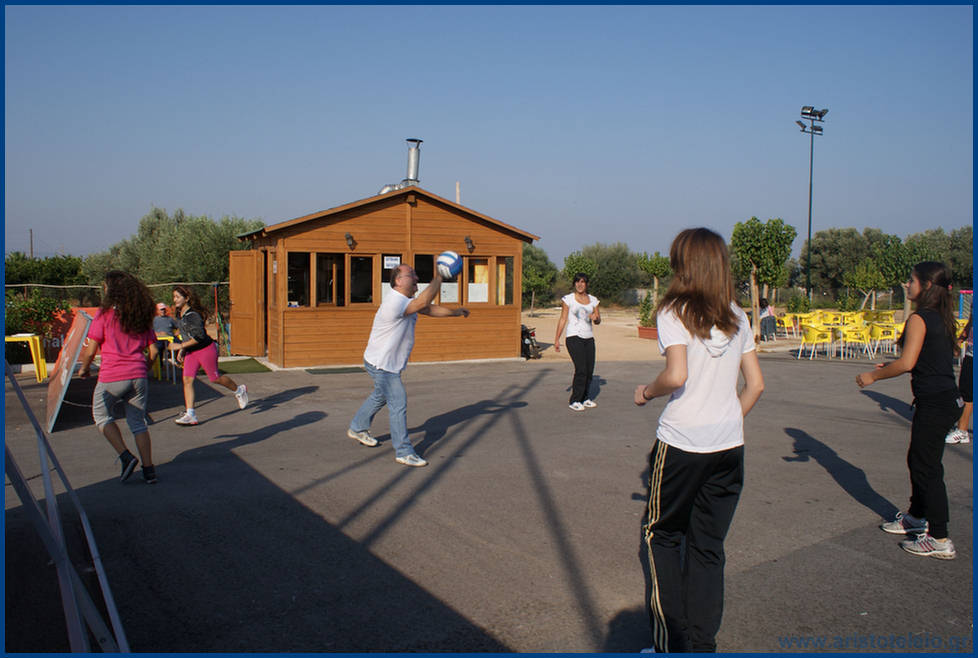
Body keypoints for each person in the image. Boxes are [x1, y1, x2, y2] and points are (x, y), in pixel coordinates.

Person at [633, 228, 764, 653]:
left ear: (683, 264)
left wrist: (646, 392)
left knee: (661, 536)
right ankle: (702, 644)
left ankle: (669, 645)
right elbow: (756, 385)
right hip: (729, 446)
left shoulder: (673, 311)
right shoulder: (738, 315)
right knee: (708, 546)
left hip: (682, 443)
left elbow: (676, 376)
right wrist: (724, 420)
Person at [857, 262, 963, 560]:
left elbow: (907, 363)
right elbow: (927, 358)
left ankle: (939, 538)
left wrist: (873, 376)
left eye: (911, 281)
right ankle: (916, 517)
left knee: (927, 468)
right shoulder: (941, 316)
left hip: (936, 403)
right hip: (944, 400)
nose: (907, 285)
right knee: (919, 461)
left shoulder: (919, 318)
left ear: (926, 286)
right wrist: (892, 366)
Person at [348, 264, 469, 467]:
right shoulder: (394, 302)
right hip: (382, 364)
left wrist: (454, 312)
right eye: (411, 274)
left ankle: (357, 427)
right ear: (398, 281)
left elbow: (428, 308)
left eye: (415, 273)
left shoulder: (405, 301)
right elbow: (423, 302)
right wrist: (439, 276)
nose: (416, 277)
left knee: (380, 395)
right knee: (398, 402)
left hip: (381, 361)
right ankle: (404, 451)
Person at [77, 270, 161, 484]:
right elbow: (154, 351)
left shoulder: (104, 314)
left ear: (111, 289)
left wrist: (84, 369)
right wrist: (144, 368)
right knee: (138, 423)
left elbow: (90, 349)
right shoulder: (140, 315)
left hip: (113, 375)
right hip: (138, 375)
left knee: (101, 415)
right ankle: (149, 471)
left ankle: (125, 456)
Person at [169, 285, 248, 425]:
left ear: (186, 298)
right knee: (187, 380)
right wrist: (183, 350)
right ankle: (190, 414)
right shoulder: (179, 313)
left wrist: (180, 346)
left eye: (177, 297)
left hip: (205, 349)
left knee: (215, 378)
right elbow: (186, 334)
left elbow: (199, 337)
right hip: (191, 352)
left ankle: (239, 390)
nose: (174, 299)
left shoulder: (193, 315)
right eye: (174, 297)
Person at [554, 273, 601, 411]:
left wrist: (596, 318)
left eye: (582, 282)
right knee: (581, 369)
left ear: (586, 284)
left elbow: (598, 320)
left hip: (589, 338)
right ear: (574, 284)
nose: (580, 285)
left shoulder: (593, 300)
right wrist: (556, 339)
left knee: (589, 370)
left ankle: (585, 398)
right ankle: (575, 400)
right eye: (577, 282)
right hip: (574, 337)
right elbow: (563, 319)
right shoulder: (568, 299)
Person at [945, 310, 972, 444]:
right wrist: (960, 340)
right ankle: (962, 431)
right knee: (966, 393)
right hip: (972, 354)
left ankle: (962, 430)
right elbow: (971, 322)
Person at [152, 302, 180, 369]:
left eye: (164, 309)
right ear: (157, 311)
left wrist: (177, 333)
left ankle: (178, 362)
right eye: (161, 309)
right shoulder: (154, 320)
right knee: (158, 347)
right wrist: (159, 334)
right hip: (159, 339)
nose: (163, 311)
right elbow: (150, 331)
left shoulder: (170, 319)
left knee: (180, 344)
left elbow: (179, 327)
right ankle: (160, 365)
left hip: (170, 338)